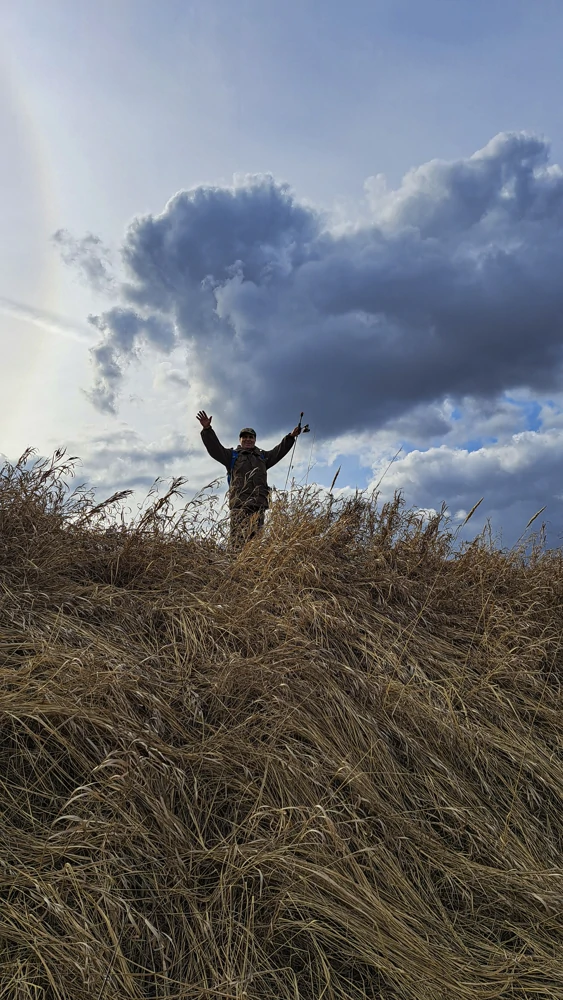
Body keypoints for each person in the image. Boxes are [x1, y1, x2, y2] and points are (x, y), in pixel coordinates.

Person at [197, 411, 302, 547]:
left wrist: (291, 437)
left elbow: (279, 451)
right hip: (239, 507)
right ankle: (235, 567)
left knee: (255, 545)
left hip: (258, 507)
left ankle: (253, 568)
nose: (248, 439)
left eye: (251, 437)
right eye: (244, 437)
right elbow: (215, 448)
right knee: (237, 543)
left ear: (255, 440)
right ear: (240, 440)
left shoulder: (263, 457)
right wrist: (207, 430)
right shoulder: (231, 456)